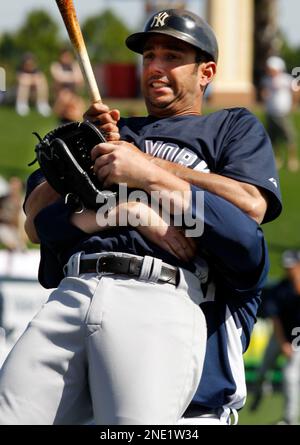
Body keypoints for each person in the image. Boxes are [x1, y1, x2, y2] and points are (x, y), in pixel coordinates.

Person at [0, 9, 282, 425]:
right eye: (149, 55)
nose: (155, 66)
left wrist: (147, 169)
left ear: (206, 72)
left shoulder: (229, 127)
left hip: (161, 289)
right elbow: (34, 221)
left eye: (172, 56)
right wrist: (91, 165)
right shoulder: (114, 134)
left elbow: (249, 206)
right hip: (75, 288)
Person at [261, 250, 300, 425]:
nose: (289, 270)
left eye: (292, 266)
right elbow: (275, 319)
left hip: (297, 338)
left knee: (290, 376)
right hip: (280, 335)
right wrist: (283, 342)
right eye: (287, 267)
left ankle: (289, 419)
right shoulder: (280, 289)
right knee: (264, 368)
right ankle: (260, 391)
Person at [261, 56, 299, 172]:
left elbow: (296, 91)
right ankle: (277, 158)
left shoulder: (286, 79)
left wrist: (294, 105)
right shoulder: (266, 79)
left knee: (289, 137)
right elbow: (264, 91)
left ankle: (293, 159)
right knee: (273, 138)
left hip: (283, 113)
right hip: (271, 113)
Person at [50, 48, 85, 124]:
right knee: (65, 96)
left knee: (78, 107)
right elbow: (58, 78)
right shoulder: (56, 65)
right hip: (60, 95)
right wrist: (72, 77)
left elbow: (79, 79)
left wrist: (65, 77)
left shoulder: (74, 65)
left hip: (74, 94)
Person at [15, 53, 51, 117]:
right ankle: (22, 105)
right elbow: (22, 81)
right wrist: (32, 80)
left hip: (35, 93)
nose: (29, 65)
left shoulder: (37, 70)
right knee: (23, 86)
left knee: (42, 85)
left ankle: (42, 104)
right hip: (20, 93)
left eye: (31, 64)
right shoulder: (19, 70)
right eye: (27, 64)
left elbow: (42, 79)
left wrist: (29, 79)